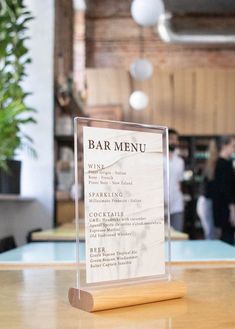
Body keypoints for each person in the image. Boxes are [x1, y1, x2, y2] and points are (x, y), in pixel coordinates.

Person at [211, 136, 235, 245]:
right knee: (227, 238)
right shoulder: (222, 164)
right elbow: (225, 190)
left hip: (225, 207)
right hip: (225, 208)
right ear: (224, 146)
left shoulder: (226, 163)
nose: (234, 149)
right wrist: (232, 209)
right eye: (233, 146)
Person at [196, 140, 217, 239]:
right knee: (210, 233)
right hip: (206, 202)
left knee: (210, 232)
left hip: (204, 202)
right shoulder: (212, 165)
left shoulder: (210, 164)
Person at [168, 129, 185, 232]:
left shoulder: (180, 161)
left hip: (177, 204)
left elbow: (179, 182)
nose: (174, 142)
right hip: (160, 205)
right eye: (171, 139)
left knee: (178, 235)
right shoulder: (157, 158)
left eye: (176, 139)